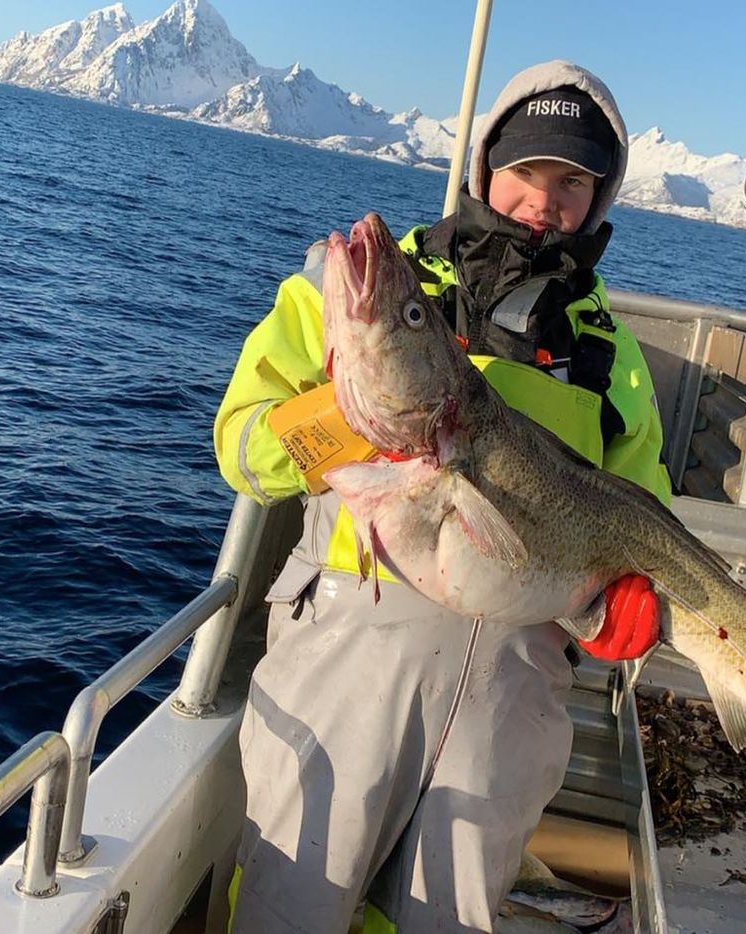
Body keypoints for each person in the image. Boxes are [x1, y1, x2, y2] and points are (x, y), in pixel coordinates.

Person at [214, 59, 671, 934]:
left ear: (600, 198)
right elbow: (242, 446)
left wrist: (623, 607)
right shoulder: (368, 291)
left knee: (447, 919)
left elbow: (642, 517)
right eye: (526, 170)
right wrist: (349, 417)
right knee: (289, 903)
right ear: (483, 166)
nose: (544, 202)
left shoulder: (612, 358)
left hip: (513, 691)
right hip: (347, 652)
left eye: (573, 182)